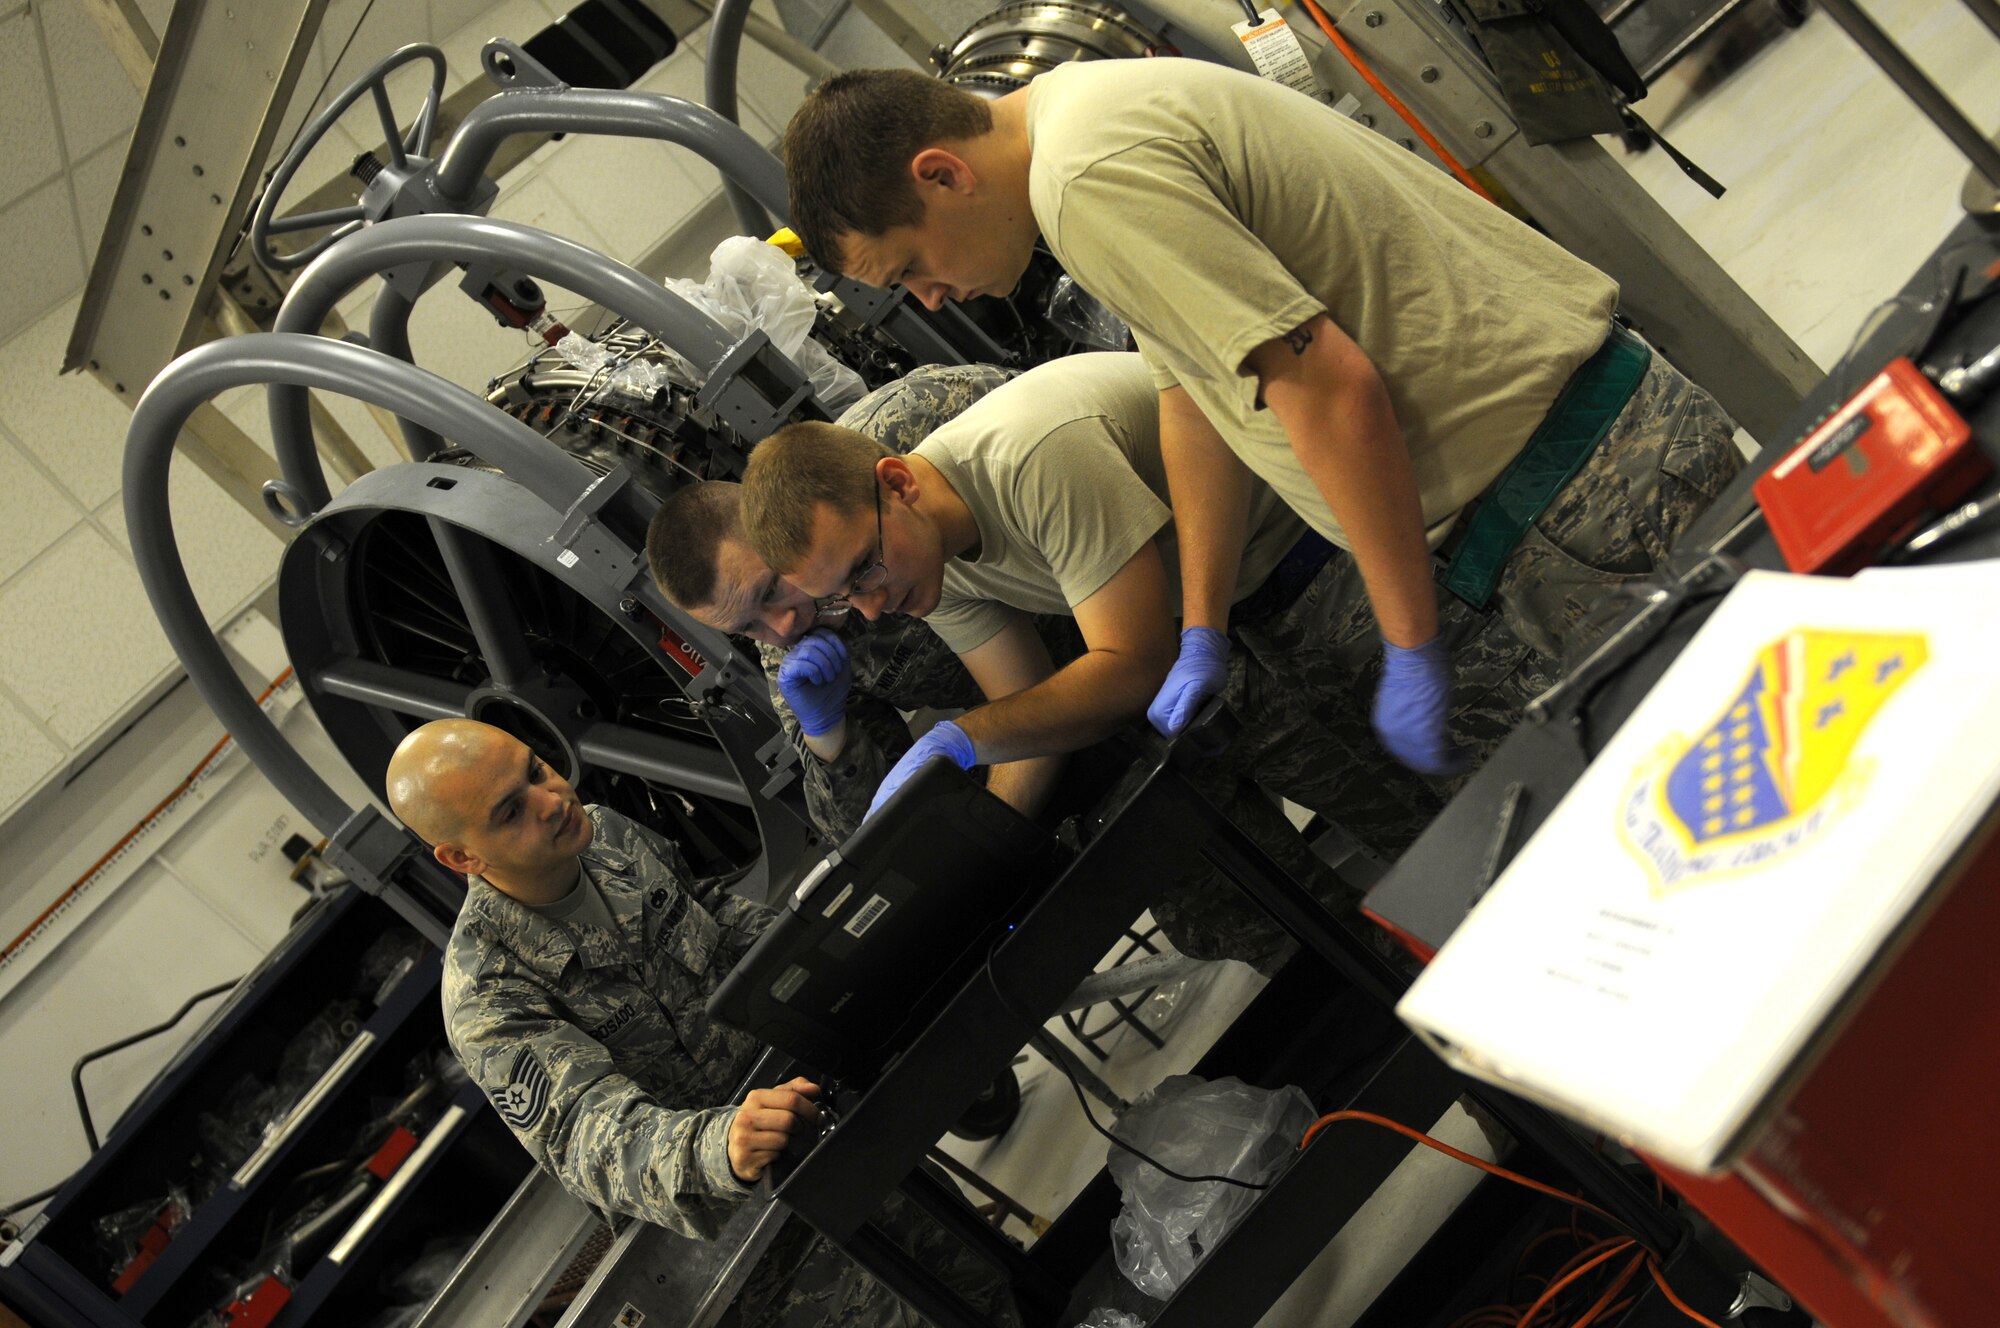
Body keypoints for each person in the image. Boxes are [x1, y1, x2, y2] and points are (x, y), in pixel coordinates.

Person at [778, 60, 1744, 810]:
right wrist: (1203, 622)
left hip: (1577, 496)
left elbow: (1328, 391)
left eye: (912, 268)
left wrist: (1413, 644)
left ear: (942, 174)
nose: (932, 299)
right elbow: (1196, 393)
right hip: (1571, 475)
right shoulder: (1075, 122)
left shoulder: (1086, 183)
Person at [740, 352, 1419, 965]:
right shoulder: (926, 562)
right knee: (1329, 918)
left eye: (864, 569)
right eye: (842, 596)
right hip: (1244, 626)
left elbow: (1133, 663)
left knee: (1437, 833)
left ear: (898, 483)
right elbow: (1030, 714)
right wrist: (978, 845)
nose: (870, 605)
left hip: (1336, 561)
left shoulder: (1029, 456)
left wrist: (959, 739)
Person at [388, 718, 1015, 1327]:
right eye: (510, 812)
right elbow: (592, 1142)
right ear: (460, 856)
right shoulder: (488, 993)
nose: (551, 801)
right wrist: (724, 1145)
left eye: (537, 771)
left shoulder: (606, 836)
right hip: (752, 1242)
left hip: (830, 1128)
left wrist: (819, 945)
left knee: (987, 1284)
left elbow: (704, 907)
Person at [646, 363, 1081, 844]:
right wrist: (829, 737)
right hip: (1049, 714)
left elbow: (1063, 413)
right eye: (747, 628)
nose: (783, 627)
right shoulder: (799, 660)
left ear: (774, 532)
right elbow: (867, 828)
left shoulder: (896, 431)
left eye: (770, 590)